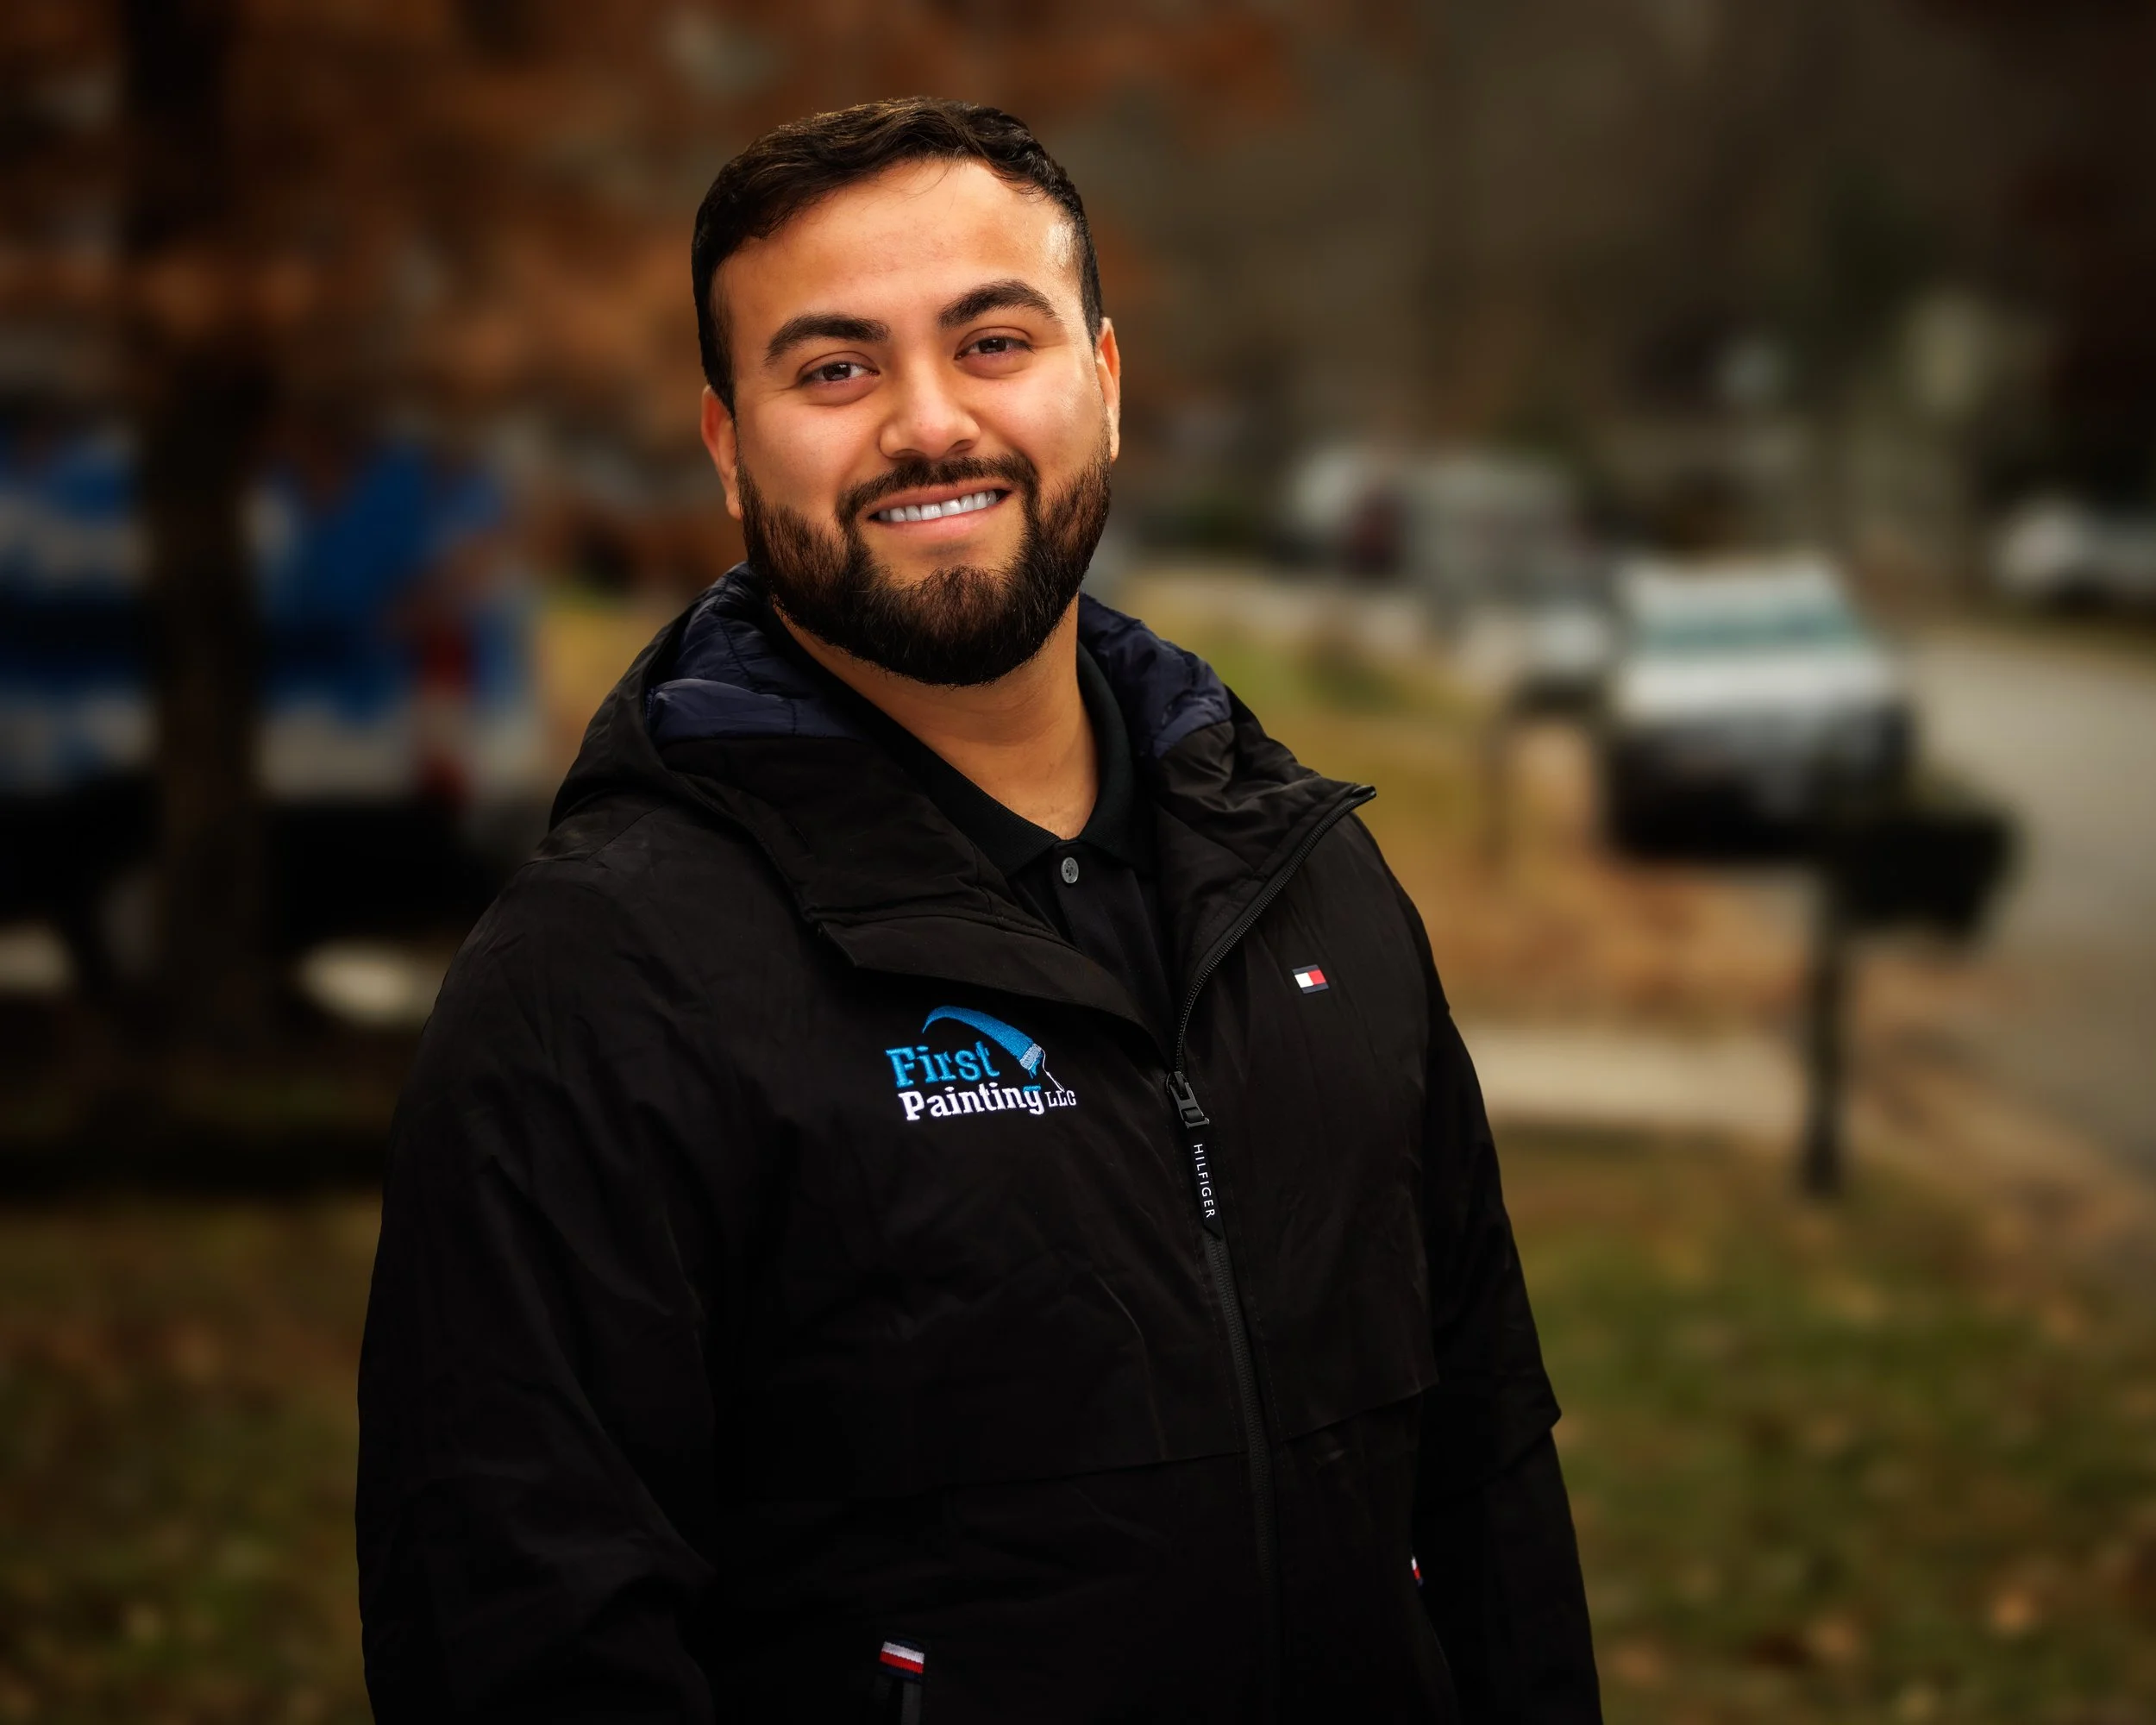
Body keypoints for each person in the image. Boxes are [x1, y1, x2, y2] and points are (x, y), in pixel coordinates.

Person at [357, 97, 1601, 1723]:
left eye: (990, 340)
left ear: (1103, 379)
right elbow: (518, 1624)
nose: (928, 424)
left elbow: (1487, 1472)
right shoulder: (600, 980)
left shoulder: (1311, 885)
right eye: (834, 368)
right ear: (730, 448)